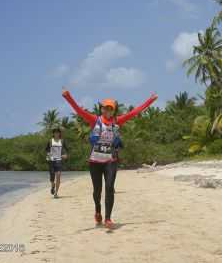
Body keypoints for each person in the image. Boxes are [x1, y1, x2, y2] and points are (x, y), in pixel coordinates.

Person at [62, 88, 157, 228]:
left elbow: (134, 112)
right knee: (97, 191)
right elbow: (79, 111)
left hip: (110, 161)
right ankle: (97, 211)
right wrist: (68, 97)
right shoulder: (95, 120)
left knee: (110, 187)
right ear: (102, 109)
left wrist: (150, 100)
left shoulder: (117, 122)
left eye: (110, 109)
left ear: (113, 111)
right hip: (95, 161)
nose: (108, 111)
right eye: (105, 108)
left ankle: (108, 219)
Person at [45, 127, 69, 198]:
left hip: (59, 160)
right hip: (51, 160)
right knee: (52, 176)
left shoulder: (62, 141)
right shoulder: (50, 141)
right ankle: (53, 185)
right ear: (53, 134)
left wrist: (65, 155)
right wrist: (48, 154)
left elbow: (67, 149)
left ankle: (56, 193)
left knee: (58, 175)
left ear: (59, 133)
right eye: (55, 132)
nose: (56, 134)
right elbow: (46, 150)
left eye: (58, 132)